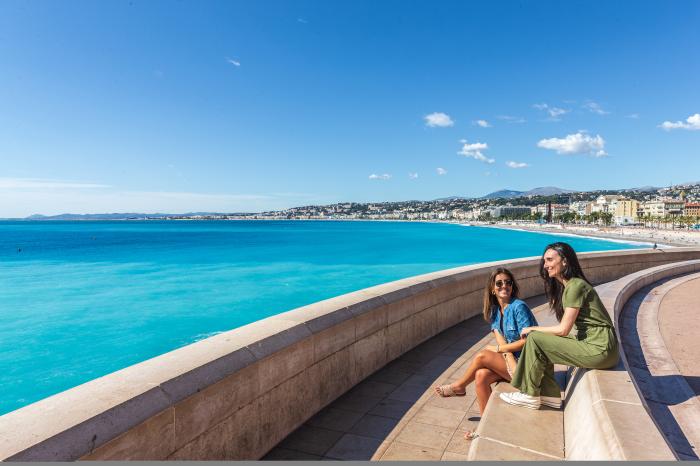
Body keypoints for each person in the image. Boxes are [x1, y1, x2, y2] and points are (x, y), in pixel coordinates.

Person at [500, 242, 619, 409]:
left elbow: (563, 330)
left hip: (600, 348)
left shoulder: (575, 286)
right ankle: (550, 394)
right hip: (599, 345)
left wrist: (532, 328)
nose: (545, 265)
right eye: (544, 261)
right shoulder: (569, 286)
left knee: (535, 338)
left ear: (565, 261)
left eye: (549, 260)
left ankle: (529, 394)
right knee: (544, 340)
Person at [433, 267, 537, 440]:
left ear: (512, 286)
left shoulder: (519, 307)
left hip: (528, 365)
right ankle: (485, 427)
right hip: (512, 363)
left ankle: (459, 387)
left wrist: (499, 351)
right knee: (480, 376)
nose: (504, 286)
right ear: (492, 288)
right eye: (499, 283)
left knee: (482, 356)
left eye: (508, 282)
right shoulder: (496, 311)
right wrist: (507, 355)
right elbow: (501, 340)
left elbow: (529, 340)